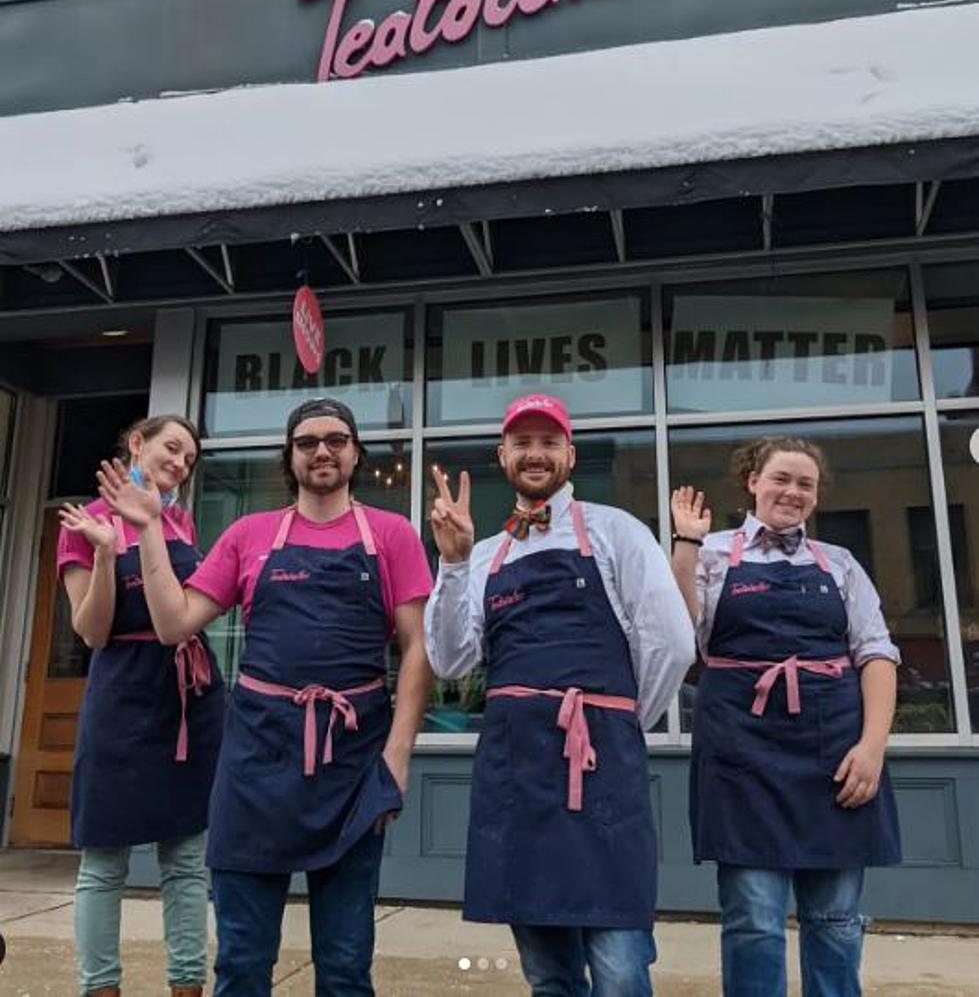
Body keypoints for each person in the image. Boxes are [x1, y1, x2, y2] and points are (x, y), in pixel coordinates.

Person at [96, 397, 433, 997]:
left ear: (355, 452)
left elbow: (417, 650)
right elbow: (175, 623)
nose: (322, 451)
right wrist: (147, 529)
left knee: (346, 966)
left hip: (355, 763)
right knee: (243, 965)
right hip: (255, 761)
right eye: (307, 442)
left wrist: (397, 758)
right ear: (290, 457)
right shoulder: (248, 535)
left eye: (336, 439)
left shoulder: (393, 535)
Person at [425, 392, 695, 997]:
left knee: (622, 969)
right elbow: (450, 660)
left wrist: (617, 720)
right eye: (523, 443)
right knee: (547, 974)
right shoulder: (485, 555)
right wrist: (453, 564)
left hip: (601, 766)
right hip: (516, 772)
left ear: (569, 454)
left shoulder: (617, 532)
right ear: (503, 456)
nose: (536, 454)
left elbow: (673, 643)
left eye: (549, 443)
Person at [670, 435, 902, 997]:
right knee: (753, 920)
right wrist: (684, 543)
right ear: (752, 481)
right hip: (739, 752)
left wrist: (872, 747)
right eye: (781, 479)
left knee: (836, 920)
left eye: (805, 484)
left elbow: (875, 654)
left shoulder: (840, 564)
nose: (792, 493)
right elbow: (680, 634)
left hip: (834, 753)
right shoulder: (712, 553)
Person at [58, 414, 225, 997]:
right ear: (137, 443)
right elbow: (92, 632)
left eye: (189, 459)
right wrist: (106, 556)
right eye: (172, 449)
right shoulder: (86, 522)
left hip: (189, 698)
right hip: (121, 694)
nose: (180, 463)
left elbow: (185, 608)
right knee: (104, 861)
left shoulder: (178, 521)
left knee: (186, 858)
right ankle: (100, 987)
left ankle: (186, 985)